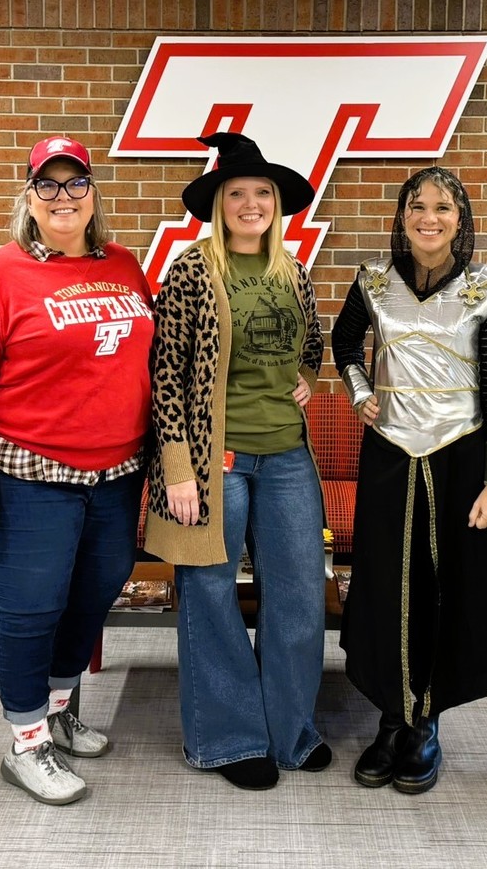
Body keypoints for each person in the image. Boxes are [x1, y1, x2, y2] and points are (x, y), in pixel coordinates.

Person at [0, 136, 153, 806]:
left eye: (76, 184)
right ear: (29, 198)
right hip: (28, 478)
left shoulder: (124, 265)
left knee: (92, 600)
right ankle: (25, 743)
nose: (64, 197)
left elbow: (143, 368)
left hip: (115, 479)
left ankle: (57, 709)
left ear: (93, 195)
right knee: (29, 613)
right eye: (49, 185)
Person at [143, 132, 329, 791]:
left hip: (285, 456)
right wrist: (175, 469)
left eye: (262, 194)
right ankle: (229, 738)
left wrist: (309, 371)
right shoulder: (193, 272)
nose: (250, 204)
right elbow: (165, 373)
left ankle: (290, 731)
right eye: (238, 194)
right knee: (210, 595)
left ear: (276, 205)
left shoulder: (292, 270)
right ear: (219, 205)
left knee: (302, 594)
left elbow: (313, 335)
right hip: (213, 462)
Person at [331, 166, 487, 795]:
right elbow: (342, 342)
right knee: (386, 586)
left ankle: (426, 722)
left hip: (461, 457)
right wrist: (360, 392)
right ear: (402, 216)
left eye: (443, 206)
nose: (429, 217)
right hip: (388, 453)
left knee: (446, 588)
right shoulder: (373, 282)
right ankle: (390, 717)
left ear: (460, 219)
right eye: (417, 206)